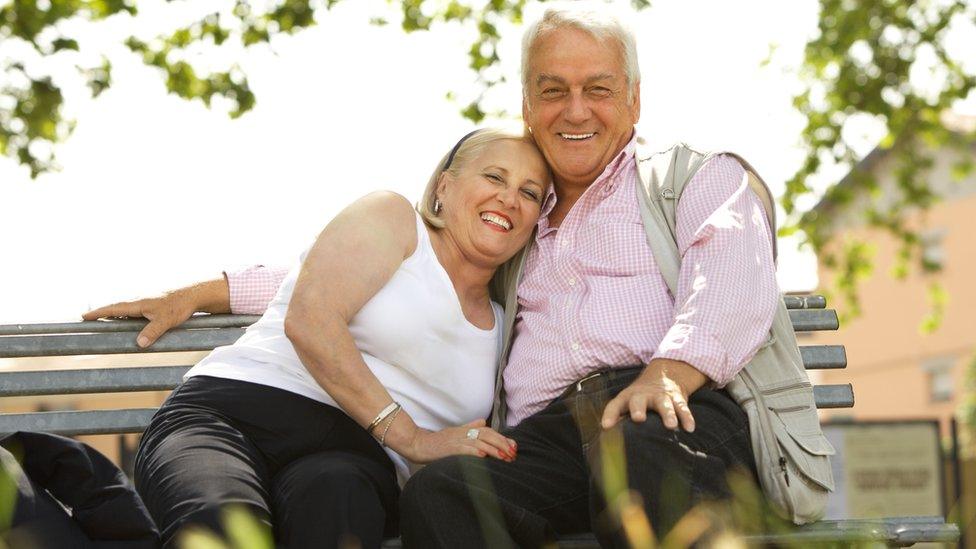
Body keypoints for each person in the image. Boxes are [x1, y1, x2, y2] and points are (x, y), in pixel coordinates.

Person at [89, 3, 787, 547]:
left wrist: (671, 368)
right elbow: (332, 282)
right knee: (444, 492)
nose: (576, 109)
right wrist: (198, 292)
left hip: (667, 411)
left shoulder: (693, 178)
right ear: (526, 105)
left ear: (633, 99)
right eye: (554, 90)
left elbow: (732, 272)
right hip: (549, 437)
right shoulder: (512, 236)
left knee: (640, 448)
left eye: (598, 89)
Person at [86, 127, 551, 548]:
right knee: (221, 531)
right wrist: (411, 437)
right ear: (445, 186)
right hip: (238, 411)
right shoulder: (393, 220)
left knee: (338, 517)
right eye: (494, 177)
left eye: (529, 193)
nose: (510, 199)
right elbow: (311, 315)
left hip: (353, 461)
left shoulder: (508, 328)